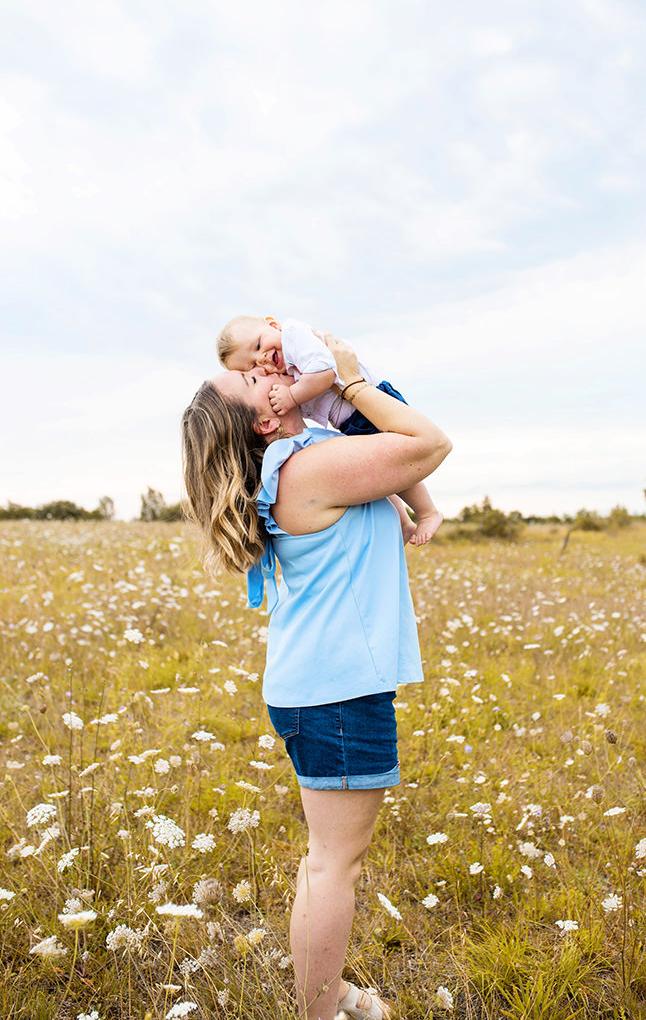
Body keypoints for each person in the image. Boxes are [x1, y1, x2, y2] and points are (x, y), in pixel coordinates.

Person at [181, 335, 451, 1020]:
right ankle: (321, 1013)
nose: (266, 366)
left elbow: (398, 483)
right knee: (336, 865)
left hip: (322, 686)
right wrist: (356, 381)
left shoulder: (306, 458)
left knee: (328, 859)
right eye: (250, 378)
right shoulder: (308, 467)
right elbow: (429, 442)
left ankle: (329, 999)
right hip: (335, 692)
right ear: (264, 420)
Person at [216, 314, 443, 546]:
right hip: (352, 418)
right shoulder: (285, 369)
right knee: (384, 476)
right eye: (252, 367)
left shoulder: (295, 338)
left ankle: (427, 512)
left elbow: (325, 373)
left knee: (401, 463)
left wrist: (291, 396)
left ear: (274, 325)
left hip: (371, 405)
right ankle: (404, 522)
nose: (261, 362)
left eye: (257, 345)